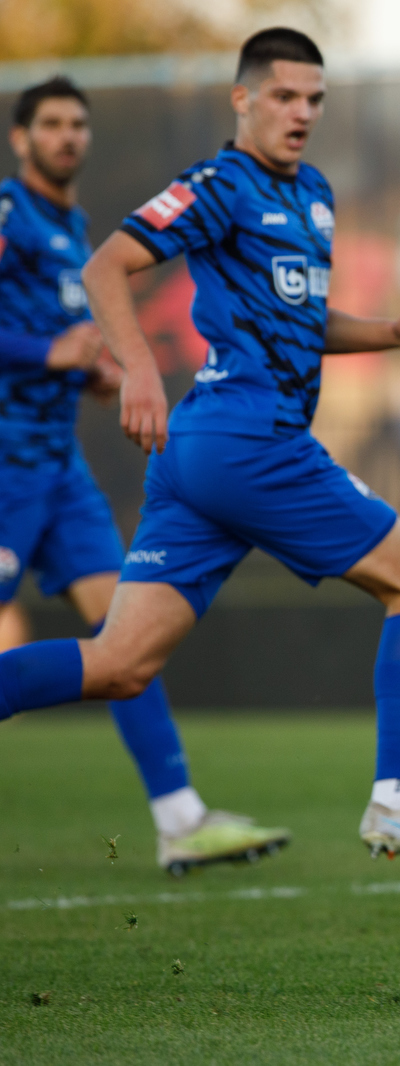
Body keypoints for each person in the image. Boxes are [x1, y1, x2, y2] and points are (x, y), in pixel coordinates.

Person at [0, 29, 400, 872]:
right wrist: (139, 375)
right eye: (283, 96)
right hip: (247, 437)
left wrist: (393, 334)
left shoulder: (314, 193)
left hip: (207, 458)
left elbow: (303, 325)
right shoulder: (219, 184)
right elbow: (105, 268)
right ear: (243, 100)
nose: (301, 112)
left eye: (314, 99)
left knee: (121, 664)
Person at [0, 76, 289, 876]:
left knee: (124, 643)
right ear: (21, 139)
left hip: (57, 471)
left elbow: (50, 342)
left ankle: (179, 817)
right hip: (4, 465)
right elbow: (28, 341)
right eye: (51, 124)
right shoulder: (9, 213)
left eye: (77, 124)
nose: (68, 136)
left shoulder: (68, 228)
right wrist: (44, 354)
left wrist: (83, 372)